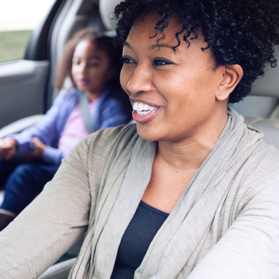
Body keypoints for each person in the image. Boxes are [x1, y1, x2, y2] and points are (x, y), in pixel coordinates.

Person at [1, 0, 279, 278]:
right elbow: (13, 255)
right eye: (128, 60)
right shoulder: (98, 152)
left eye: (161, 62)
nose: (133, 83)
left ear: (226, 80)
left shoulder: (266, 183)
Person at [0, 28, 131, 232]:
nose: (83, 70)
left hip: (79, 172)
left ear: (111, 71)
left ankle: (4, 226)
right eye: (77, 62)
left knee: (25, 174)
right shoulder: (69, 98)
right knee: (4, 159)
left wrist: (46, 154)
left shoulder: (113, 107)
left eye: (93, 63)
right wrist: (15, 143)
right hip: (53, 160)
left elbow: (97, 158)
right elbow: (42, 130)